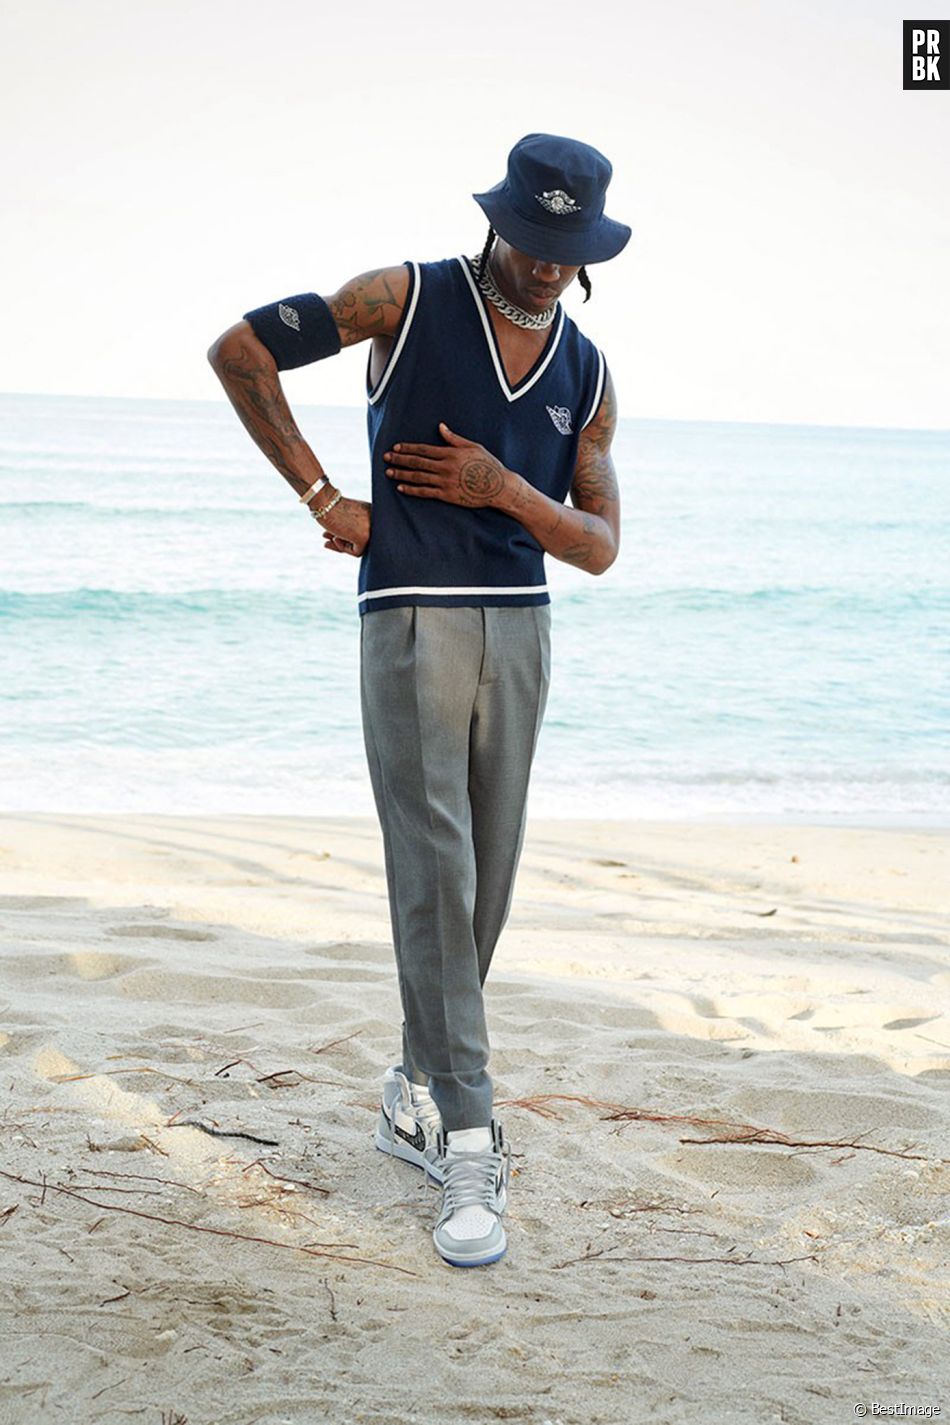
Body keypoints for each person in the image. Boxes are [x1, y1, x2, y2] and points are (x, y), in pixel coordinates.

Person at [207, 132, 629, 1269]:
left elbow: (598, 545)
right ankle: (471, 1138)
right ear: (497, 219)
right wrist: (319, 495)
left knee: (485, 876)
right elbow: (240, 351)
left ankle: (413, 1088)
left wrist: (505, 492)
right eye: (530, 239)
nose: (546, 263)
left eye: (567, 248)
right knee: (435, 865)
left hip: (521, 626)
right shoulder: (403, 298)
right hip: (410, 616)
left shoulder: (587, 371)